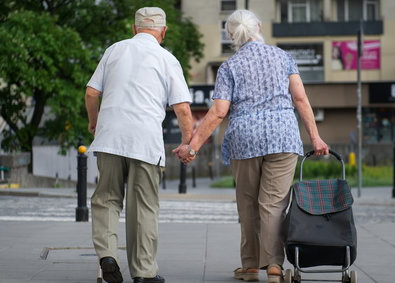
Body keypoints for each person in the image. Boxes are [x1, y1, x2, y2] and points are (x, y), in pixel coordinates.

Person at [173, 10, 328, 283]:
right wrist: (315, 138)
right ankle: (274, 266)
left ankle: (250, 266)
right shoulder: (283, 57)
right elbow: (301, 100)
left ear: (231, 36)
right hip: (283, 136)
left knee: (247, 204)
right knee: (273, 205)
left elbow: (219, 112)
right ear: (258, 27)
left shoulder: (230, 66)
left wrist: (193, 146)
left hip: (245, 139)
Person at [85, 7, 193, 283]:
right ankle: (144, 273)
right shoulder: (167, 58)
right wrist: (187, 143)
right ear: (163, 31)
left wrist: (94, 123)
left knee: (106, 199)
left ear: (134, 29)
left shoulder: (114, 50)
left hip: (109, 137)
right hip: (145, 141)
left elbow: (91, 92)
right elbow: (181, 108)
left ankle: (108, 255)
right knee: (143, 207)